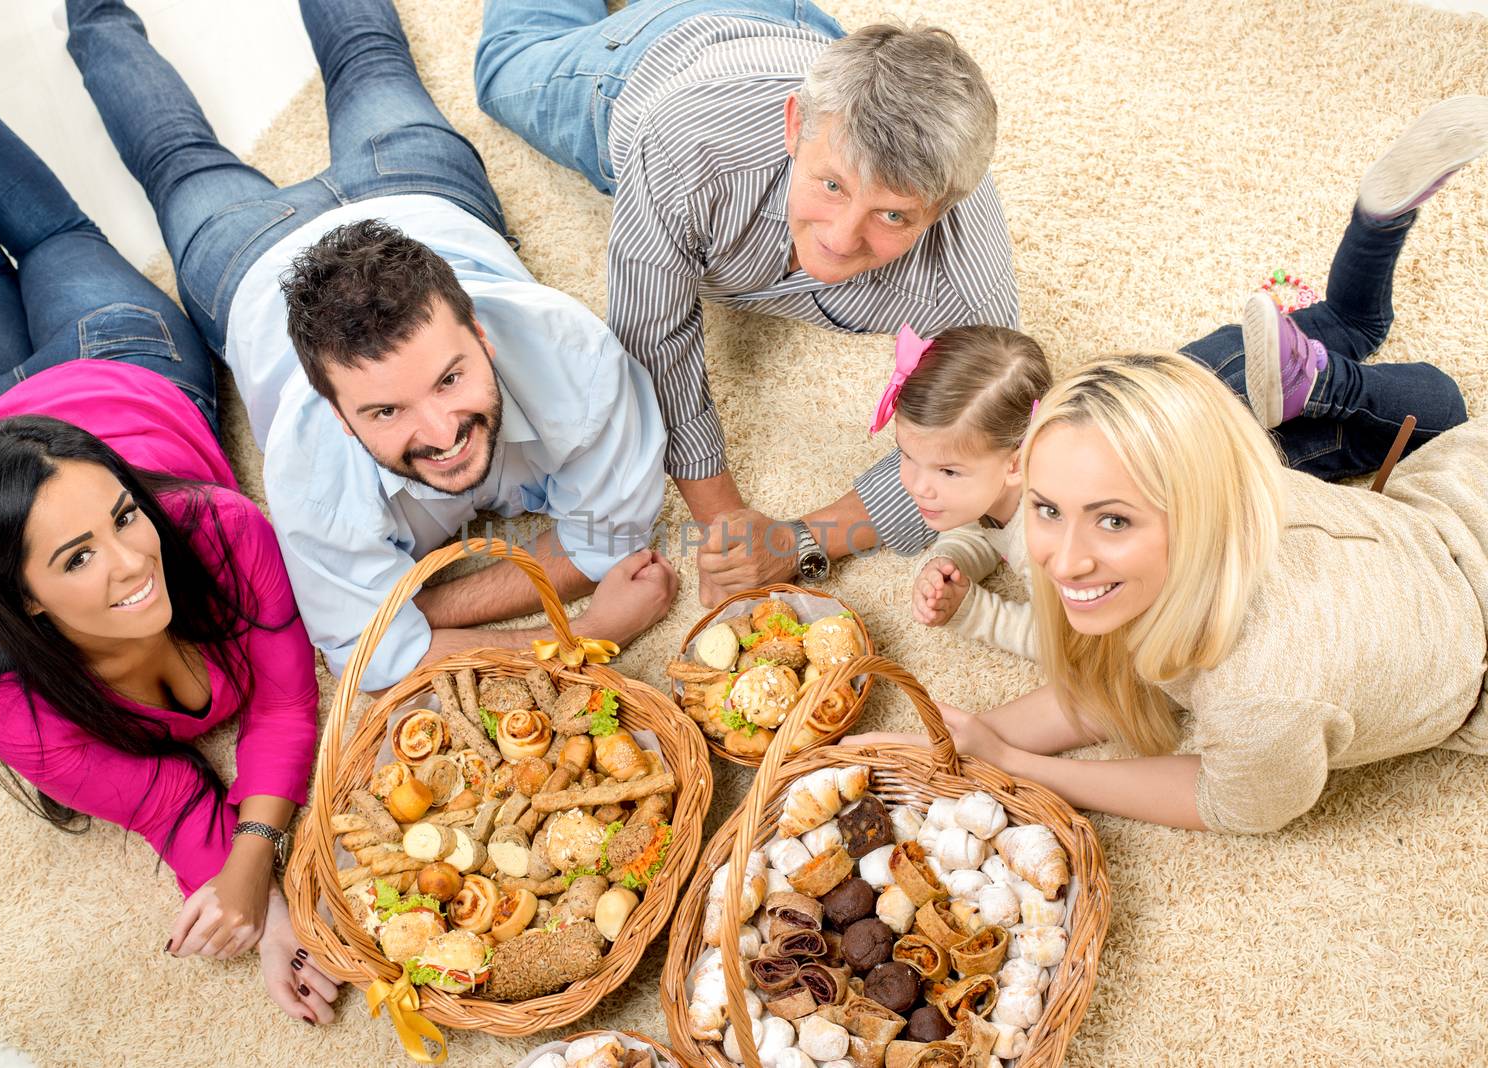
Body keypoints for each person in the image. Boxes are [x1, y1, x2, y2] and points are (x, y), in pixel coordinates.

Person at [0, 15, 336, 1024]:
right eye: (79, 559)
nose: (137, 561)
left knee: (46, 240)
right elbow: (164, 799)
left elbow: (281, 705)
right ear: (22, 598)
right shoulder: (7, 704)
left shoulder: (214, 530)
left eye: (124, 518)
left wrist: (254, 868)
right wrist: (260, 913)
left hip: (115, 364)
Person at [65, 0, 678, 693]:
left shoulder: (569, 347)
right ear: (332, 410)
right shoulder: (310, 467)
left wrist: (419, 611)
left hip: (414, 190)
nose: (442, 433)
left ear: (481, 333)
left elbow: (612, 533)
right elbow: (372, 657)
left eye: (450, 378)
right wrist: (583, 635)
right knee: (171, 154)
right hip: (249, 260)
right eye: (386, 411)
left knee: (366, 52)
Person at [896, 97, 1480, 659]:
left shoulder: (1056, 540)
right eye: (910, 459)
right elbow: (988, 527)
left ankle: (1321, 385)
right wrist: (954, 555)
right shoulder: (1014, 457)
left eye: (946, 471)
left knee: (1444, 414)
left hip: (1226, 442)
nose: (920, 487)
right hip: (1195, 372)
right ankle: (1378, 219)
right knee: (1352, 320)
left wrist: (975, 612)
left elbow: (1076, 640)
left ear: (1018, 460)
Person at [474, 3, 1019, 602]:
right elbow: (651, 343)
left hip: (805, 46)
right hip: (658, 60)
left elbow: (974, 454)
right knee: (499, 74)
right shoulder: (687, 139)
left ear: (942, 207)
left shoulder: (966, 281)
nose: (840, 239)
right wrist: (726, 530)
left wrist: (796, 543)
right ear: (795, 126)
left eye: (892, 214)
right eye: (831, 185)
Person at [854, 343, 1488, 834]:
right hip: (1453, 487)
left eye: (1113, 520)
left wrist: (1017, 766)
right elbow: (1121, 686)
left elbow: (1238, 804)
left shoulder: (1264, 689)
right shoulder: (1201, 505)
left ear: (1196, 513)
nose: (1064, 562)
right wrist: (958, 744)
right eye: (1046, 509)